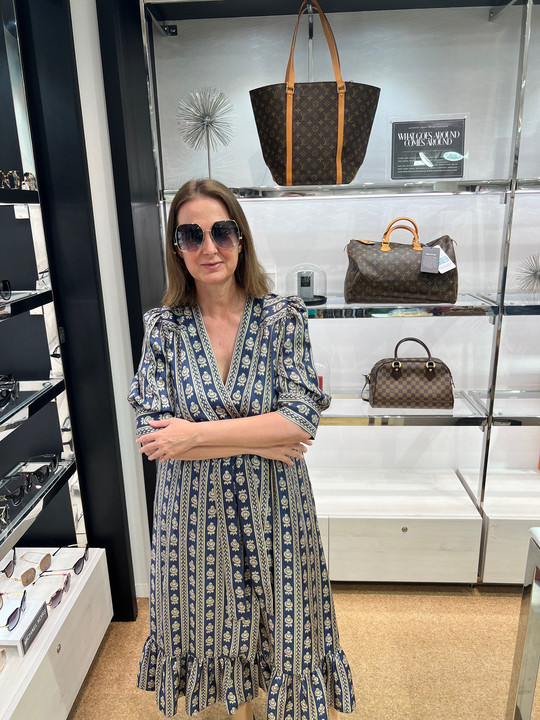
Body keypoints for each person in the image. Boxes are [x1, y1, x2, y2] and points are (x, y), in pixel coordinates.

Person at [128, 179, 355, 720]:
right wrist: (261, 437)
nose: (209, 248)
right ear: (176, 248)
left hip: (275, 506)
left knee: (283, 617)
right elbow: (155, 437)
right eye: (192, 235)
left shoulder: (281, 318)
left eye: (221, 232)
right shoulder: (163, 329)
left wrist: (195, 435)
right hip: (193, 516)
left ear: (241, 238)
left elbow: (300, 419)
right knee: (203, 626)